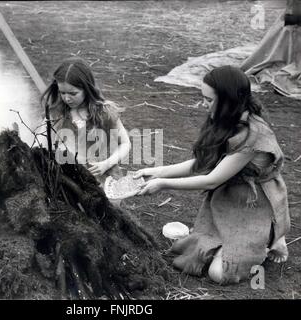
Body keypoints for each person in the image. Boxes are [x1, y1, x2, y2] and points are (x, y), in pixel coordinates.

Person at [134, 65, 290, 284]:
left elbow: (213, 178)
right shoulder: (228, 119)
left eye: (209, 100)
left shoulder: (254, 135)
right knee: (194, 253)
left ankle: (271, 238)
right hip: (228, 201)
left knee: (219, 273)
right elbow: (204, 163)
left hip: (253, 205)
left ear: (228, 100)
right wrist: (156, 171)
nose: (203, 104)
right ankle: (248, 240)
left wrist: (162, 184)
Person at [39, 57, 131, 188]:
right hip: (68, 180)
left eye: (73, 93)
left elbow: (125, 143)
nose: (66, 98)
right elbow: (41, 147)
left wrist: (107, 163)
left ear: (87, 89)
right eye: (62, 92)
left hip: (102, 179)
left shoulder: (104, 112)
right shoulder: (56, 113)